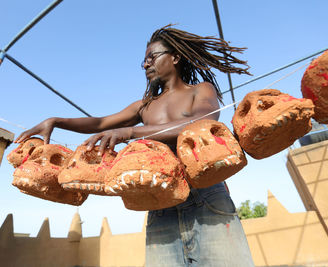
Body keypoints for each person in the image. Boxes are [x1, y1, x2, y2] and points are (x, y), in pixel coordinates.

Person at [15, 24, 254, 267]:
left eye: (152, 57)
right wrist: (55, 121)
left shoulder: (201, 89)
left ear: (175, 57)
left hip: (206, 196)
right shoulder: (145, 106)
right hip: (158, 198)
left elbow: (202, 122)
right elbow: (100, 122)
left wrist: (131, 131)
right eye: (144, 60)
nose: (145, 64)